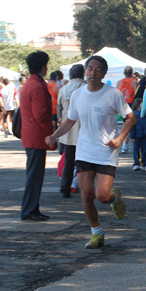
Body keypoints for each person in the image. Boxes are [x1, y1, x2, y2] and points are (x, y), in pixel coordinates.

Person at [45, 55, 136, 249]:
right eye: (90, 69)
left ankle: (115, 198)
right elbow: (70, 120)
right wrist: (54, 136)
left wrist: (120, 138)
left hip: (106, 150)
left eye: (97, 70)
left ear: (103, 73)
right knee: (86, 195)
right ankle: (97, 233)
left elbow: (130, 118)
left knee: (102, 196)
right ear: (85, 71)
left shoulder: (113, 94)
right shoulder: (78, 95)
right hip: (85, 149)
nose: (93, 73)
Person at [20, 51, 56, 221]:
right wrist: (52, 133)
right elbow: (41, 114)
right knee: (35, 176)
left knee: (34, 175)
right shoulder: (37, 86)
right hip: (36, 136)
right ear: (43, 66)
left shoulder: (31, 83)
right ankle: (29, 210)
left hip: (31, 135)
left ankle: (31, 208)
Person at [57, 64, 85, 198]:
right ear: (83, 74)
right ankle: (80, 185)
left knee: (68, 160)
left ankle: (65, 187)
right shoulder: (86, 88)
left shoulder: (63, 90)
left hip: (67, 129)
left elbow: (59, 110)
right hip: (82, 128)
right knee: (84, 160)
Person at [117, 66, 138, 154]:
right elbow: (136, 94)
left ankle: (124, 144)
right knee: (129, 125)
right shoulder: (134, 82)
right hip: (130, 104)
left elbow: (116, 94)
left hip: (121, 104)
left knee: (126, 124)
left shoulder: (119, 82)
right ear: (132, 73)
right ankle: (124, 145)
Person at [130, 98, 146, 170]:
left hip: (142, 134)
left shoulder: (136, 113)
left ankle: (141, 163)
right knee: (139, 150)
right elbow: (132, 126)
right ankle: (139, 163)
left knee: (141, 150)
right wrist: (132, 136)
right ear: (138, 105)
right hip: (138, 134)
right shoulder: (135, 114)